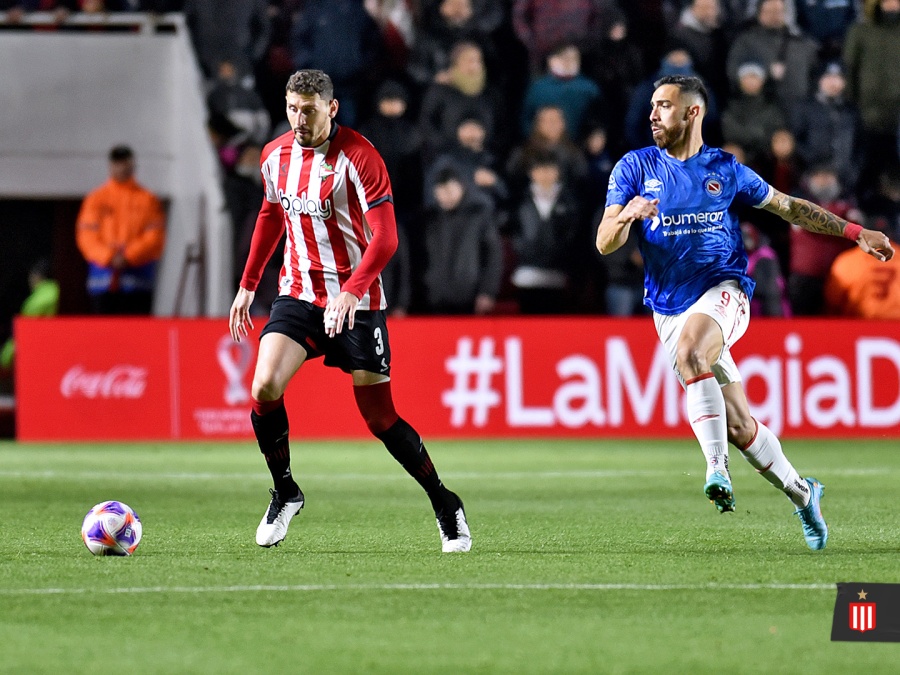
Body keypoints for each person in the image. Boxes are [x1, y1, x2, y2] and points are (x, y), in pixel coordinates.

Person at [595, 74, 894, 550]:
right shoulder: (634, 167)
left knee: (693, 353)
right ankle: (804, 494)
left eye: (664, 106)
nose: (652, 115)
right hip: (668, 307)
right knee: (738, 425)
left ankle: (716, 470)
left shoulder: (725, 169)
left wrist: (855, 232)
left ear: (693, 112)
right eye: (652, 105)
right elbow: (604, 242)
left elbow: (790, 208)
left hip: (724, 290)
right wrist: (627, 215)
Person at [229, 69, 471, 553]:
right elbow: (271, 215)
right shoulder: (275, 156)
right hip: (298, 293)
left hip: (357, 302)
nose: (299, 119)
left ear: (331, 108)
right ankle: (286, 491)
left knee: (380, 418)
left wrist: (352, 291)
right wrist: (247, 285)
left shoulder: (360, 157)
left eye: (309, 110)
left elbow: (387, 237)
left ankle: (445, 503)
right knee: (263, 386)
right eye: (292, 109)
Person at [75, 145, 166, 315]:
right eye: (117, 163)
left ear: (133, 165)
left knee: (136, 325)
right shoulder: (96, 198)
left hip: (138, 279)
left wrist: (129, 256)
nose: (122, 167)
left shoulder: (148, 199)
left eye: (125, 163)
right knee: (104, 327)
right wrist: (109, 257)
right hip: (103, 279)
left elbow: (154, 236)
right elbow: (86, 236)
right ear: (110, 166)